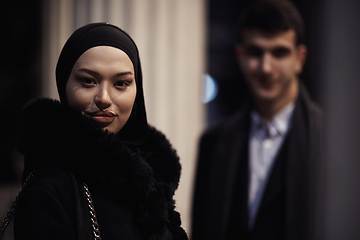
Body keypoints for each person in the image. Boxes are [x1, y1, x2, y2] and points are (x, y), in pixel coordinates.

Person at [13, 23, 188, 240]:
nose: (104, 98)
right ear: (63, 84)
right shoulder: (48, 189)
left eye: (121, 83)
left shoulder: (152, 183)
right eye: (88, 81)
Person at [192, 1, 323, 240]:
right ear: (240, 56)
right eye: (255, 52)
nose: (266, 67)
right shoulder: (212, 144)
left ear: (300, 58)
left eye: (279, 52)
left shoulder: (329, 139)